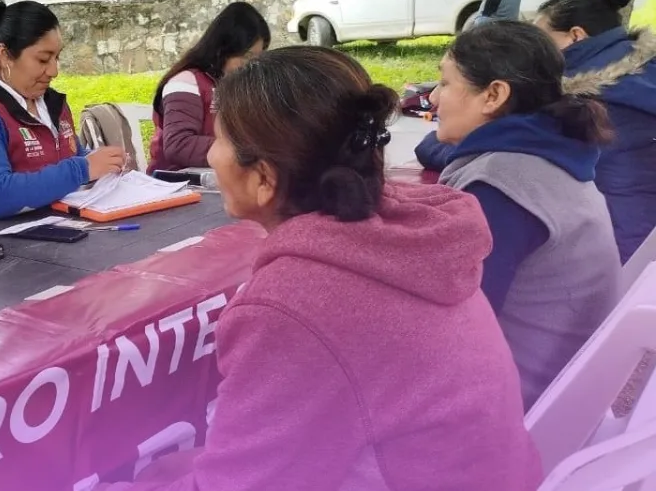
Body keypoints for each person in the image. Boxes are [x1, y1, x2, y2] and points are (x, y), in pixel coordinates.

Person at [98, 46, 542, 491]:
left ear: (265, 178)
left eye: (220, 140)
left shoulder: (295, 302)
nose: (212, 156)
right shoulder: (416, 233)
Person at [415, 21, 621, 408]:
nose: (433, 99)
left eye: (445, 83)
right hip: (563, 387)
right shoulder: (545, 152)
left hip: (518, 406)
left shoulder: (501, 186)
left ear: (493, 95)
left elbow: (451, 329)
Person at [0, 0, 126, 232]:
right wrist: (82, 169)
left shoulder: (52, 103)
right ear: (5, 55)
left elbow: (71, 155)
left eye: (57, 58)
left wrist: (103, 162)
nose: (54, 71)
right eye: (43, 59)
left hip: (55, 236)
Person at [536, 0, 656, 264]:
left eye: (542, 41)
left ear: (575, 36)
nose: (537, 52)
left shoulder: (583, 101)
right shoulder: (645, 73)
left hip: (620, 257)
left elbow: (504, 147)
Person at [147, 1, 270, 173]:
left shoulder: (236, 85)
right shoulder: (186, 82)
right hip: (177, 184)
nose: (252, 65)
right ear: (223, 49)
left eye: (257, 58)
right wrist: (244, 150)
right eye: (246, 56)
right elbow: (179, 145)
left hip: (220, 179)